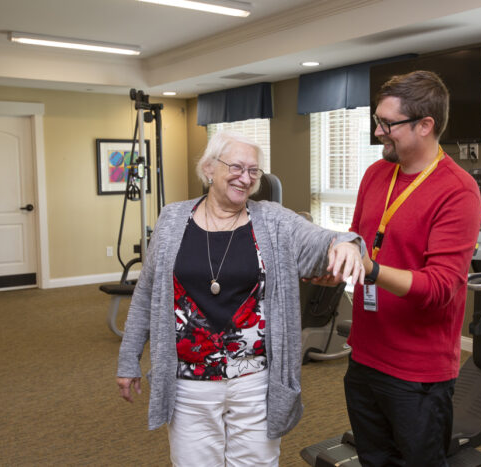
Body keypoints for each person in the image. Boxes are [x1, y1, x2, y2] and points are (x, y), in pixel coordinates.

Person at [116, 130, 365, 467]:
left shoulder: (274, 221)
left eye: (253, 171)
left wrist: (346, 243)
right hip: (189, 383)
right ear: (208, 168)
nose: (245, 178)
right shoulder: (172, 219)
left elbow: (321, 239)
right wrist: (129, 358)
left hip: (255, 382)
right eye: (236, 167)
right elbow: (146, 294)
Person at [345, 70, 481, 466]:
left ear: (426, 125)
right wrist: (335, 266)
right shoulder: (375, 174)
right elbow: (358, 242)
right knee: (373, 459)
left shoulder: (457, 190)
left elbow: (440, 287)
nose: (377, 132)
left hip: (417, 373)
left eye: (388, 124)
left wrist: (371, 270)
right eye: (377, 120)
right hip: (365, 355)